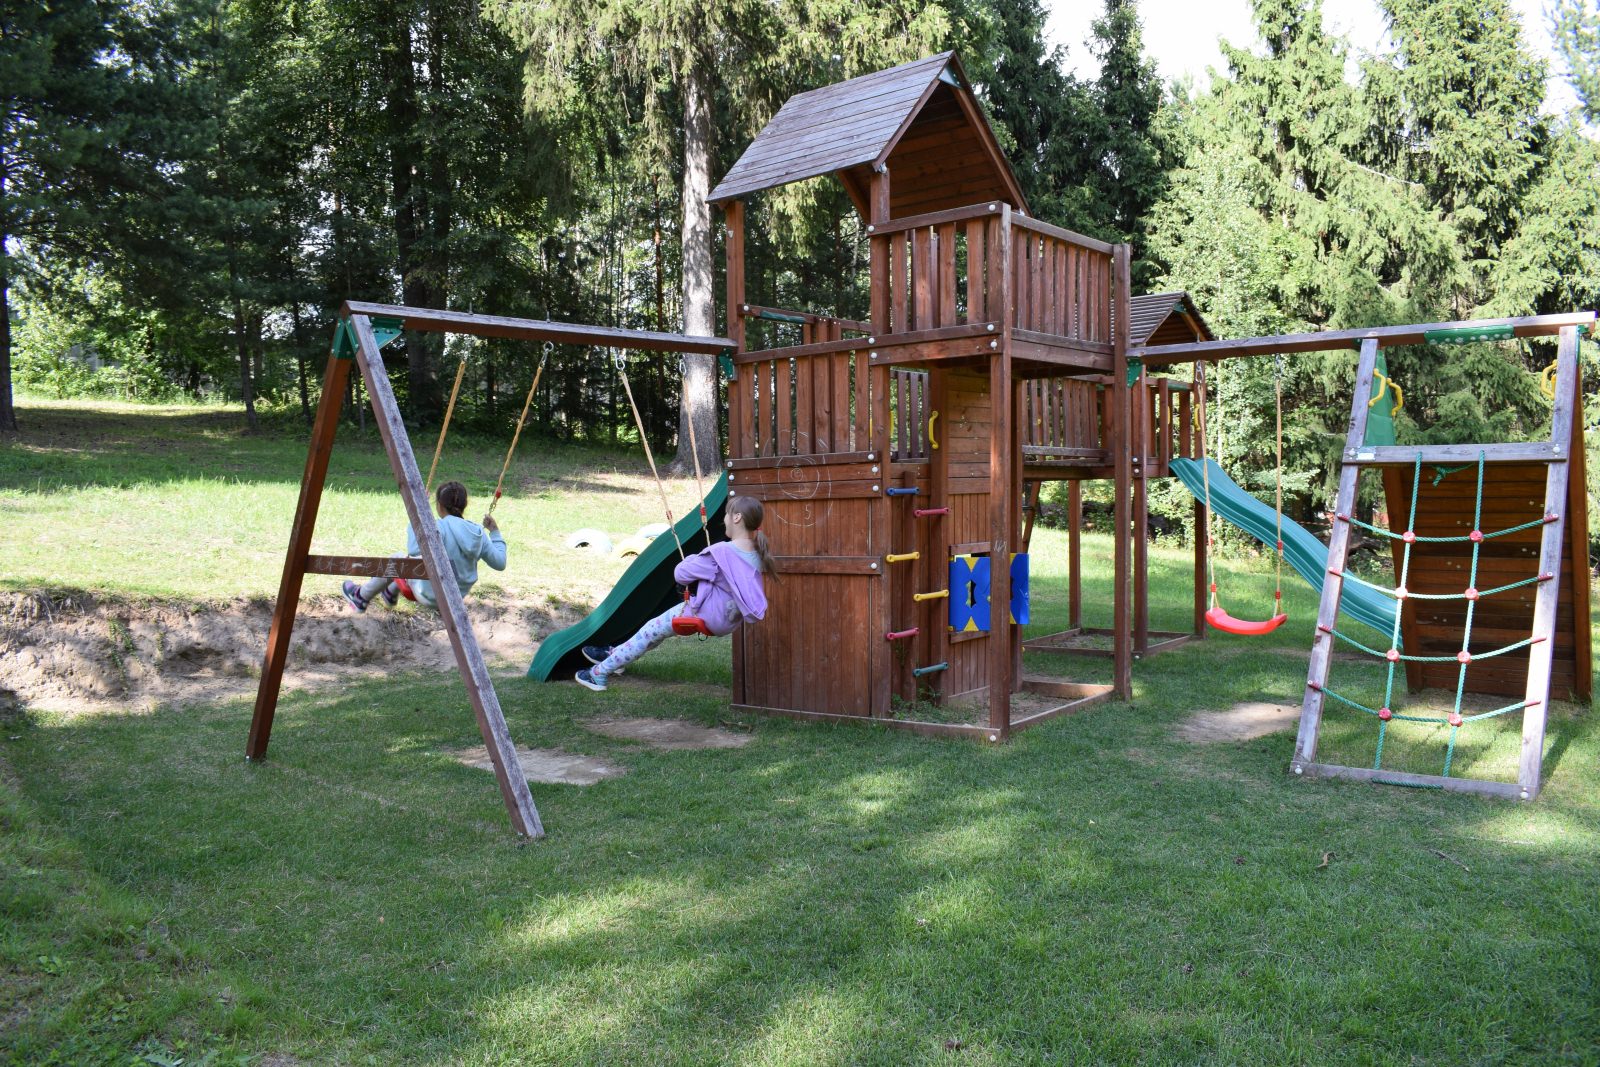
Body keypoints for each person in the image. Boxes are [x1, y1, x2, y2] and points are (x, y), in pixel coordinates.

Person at [575, 495, 774, 691]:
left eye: (727, 514)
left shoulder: (722, 552)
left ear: (737, 518)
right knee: (656, 634)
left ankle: (599, 673)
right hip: (726, 621)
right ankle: (616, 656)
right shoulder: (756, 553)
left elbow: (681, 574)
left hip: (703, 613)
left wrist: (692, 559)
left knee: (649, 631)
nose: (724, 519)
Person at [342, 481, 506, 612]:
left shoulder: (438, 527)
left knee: (398, 559)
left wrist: (418, 512)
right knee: (424, 562)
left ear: (439, 505)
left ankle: (360, 597)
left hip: (429, 594)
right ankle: (390, 592)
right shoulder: (478, 533)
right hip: (455, 598)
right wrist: (494, 531)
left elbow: (413, 549)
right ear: (465, 505)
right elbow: (500, 563)